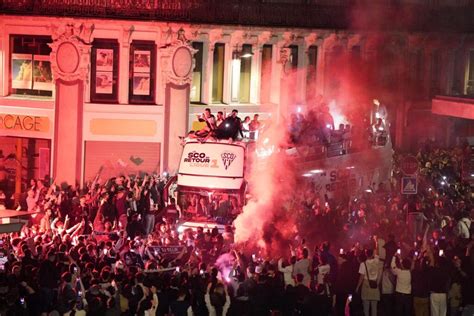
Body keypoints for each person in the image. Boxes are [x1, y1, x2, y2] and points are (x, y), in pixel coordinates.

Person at [356, 249, 381, 316]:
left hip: (366, 285)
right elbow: (377, 254)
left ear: (366, 254)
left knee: (366, 307)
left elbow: (361, 277)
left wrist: (358, 287)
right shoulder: (377, 261)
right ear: (372, 254)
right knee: (374, 307)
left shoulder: (363, 264)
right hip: (375, 285)